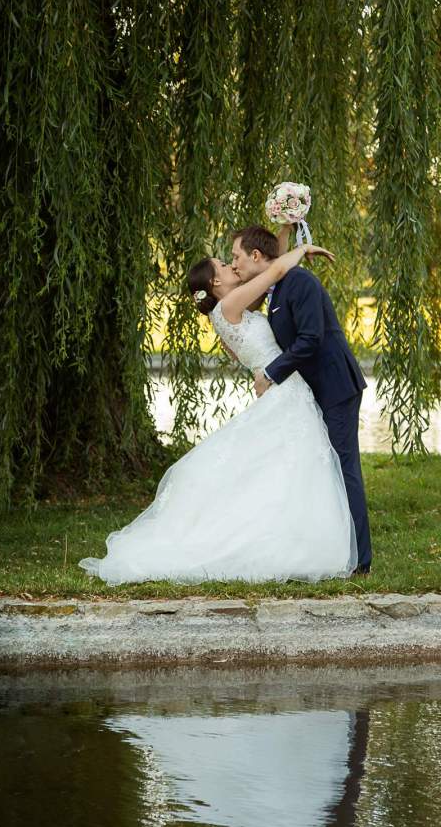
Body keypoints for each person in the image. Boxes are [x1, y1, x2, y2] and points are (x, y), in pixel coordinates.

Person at [78, 239, 358, 585]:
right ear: (215, 283)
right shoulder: (229, 305)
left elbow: (271, 271)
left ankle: (298, 541)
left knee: (285, 471)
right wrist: (304, 248)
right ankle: (299, 546)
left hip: (285, 389)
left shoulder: (225, 313)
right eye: (224, 266)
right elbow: (274, 270)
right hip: (286, 392)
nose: (231, 266)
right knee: (294, 468)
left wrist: (285, 231)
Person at [231, 225, 372, 574]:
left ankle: (361, 561)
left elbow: (310, 338)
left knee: (344, 467)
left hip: (335, 386)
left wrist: (270, 374)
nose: (233, 264)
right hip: (313, 392)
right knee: (324, 470)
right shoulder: (277, 290)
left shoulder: (300, 284)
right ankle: (334, 550)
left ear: (256, 256)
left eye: (236, 256)